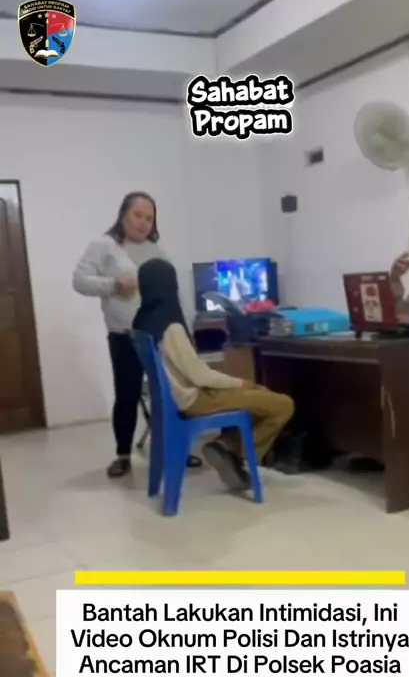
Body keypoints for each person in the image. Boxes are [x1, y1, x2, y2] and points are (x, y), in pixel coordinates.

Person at [133, 259, 294, 491]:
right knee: (282, 404)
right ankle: (233, 452)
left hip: (175, 399)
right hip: (194, 399)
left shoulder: (142, 321)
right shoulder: (171, 327)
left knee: (258, 395)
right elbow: (199, 376)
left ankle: (226, 447)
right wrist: (241, 382)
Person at [73, 192, 202, 478]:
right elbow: (79, 281)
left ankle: (177, 448)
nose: (143, 223)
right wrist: (113, 284)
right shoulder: (105, 246)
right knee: (128, 394)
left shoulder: (156, 250)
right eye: (138, 215)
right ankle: (122, 455)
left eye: (149, 218)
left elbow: (172, 293)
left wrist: (185, 329)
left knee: (171, 393)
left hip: (163, 336)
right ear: (124, 214)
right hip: (126, 336)